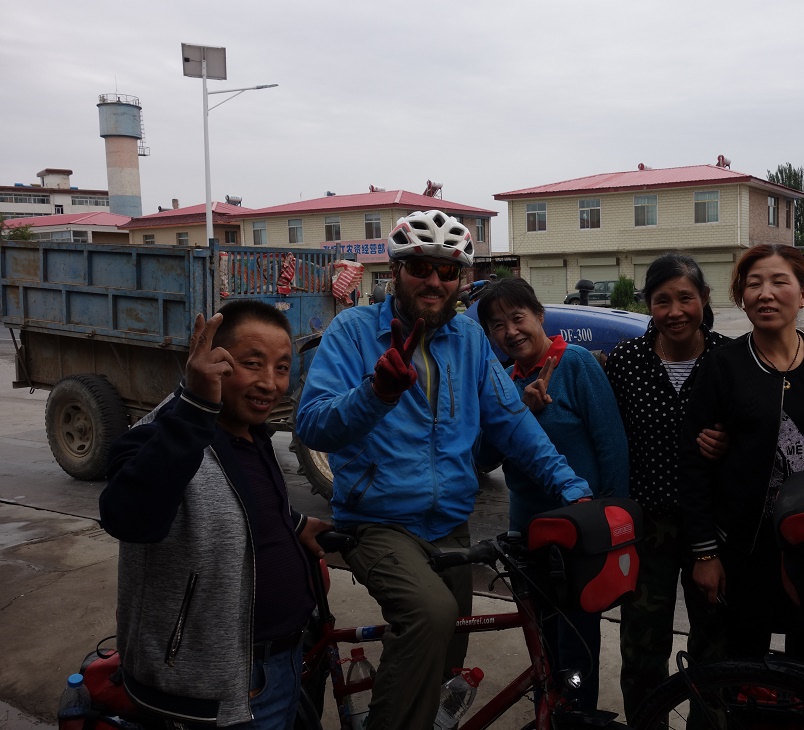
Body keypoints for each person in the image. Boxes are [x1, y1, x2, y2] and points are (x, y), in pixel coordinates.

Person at [294, 210, 592, 730]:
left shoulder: (470, 339)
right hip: (378, 522)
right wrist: (375, 394)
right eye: (421, 267)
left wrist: (575, 490)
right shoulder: (353, 331)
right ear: (396, 271)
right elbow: (313, 424)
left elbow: (513, 424)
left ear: (461, 280)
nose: (434, 280)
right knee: (430, 615)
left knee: (446, 658)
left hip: (450, 525)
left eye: (448, 271)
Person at [99, 300, 330, 728]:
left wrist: (292, 523)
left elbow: (242, 499)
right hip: (217, 688)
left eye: (281, 367)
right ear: (213, 361)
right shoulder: (162, 432)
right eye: (252, 363)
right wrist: (194, 408)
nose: (270, 383)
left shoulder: (250, 431)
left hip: (282, 662)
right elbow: (128, 518)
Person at [680, 243, 804, 659]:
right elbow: (693, 466)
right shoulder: (723, 366)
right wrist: (705, 553)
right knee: (744, 669)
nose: (765, 293)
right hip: (747, 553)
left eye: (779, 282)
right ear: (742, 298)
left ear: (803, 294)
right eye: (754, 285)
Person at [475, 277, 628, 711]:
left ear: (540, 316)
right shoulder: (503, 382)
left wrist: (613, 523)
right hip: (527, 534)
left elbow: (612, 446)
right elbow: (483, 456)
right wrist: (520, 411)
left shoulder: (575, 363)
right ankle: (550, 712)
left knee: (576, 639)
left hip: (580, 535)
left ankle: (576, 713)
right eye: (497, 325)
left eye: (517, 318)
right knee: (540, 640)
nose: (510, 332)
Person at [604, 253, 731, 724]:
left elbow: (758, 433)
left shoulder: (729, 359)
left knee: (715, 646)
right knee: (641, 647)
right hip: (645, 528)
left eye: (685, 298)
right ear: (649, 306)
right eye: (662, 301)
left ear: (704, 299)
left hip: (714, 530)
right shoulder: (626, 361)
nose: (675, 311)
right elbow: (605, 434)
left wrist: (732, 442)